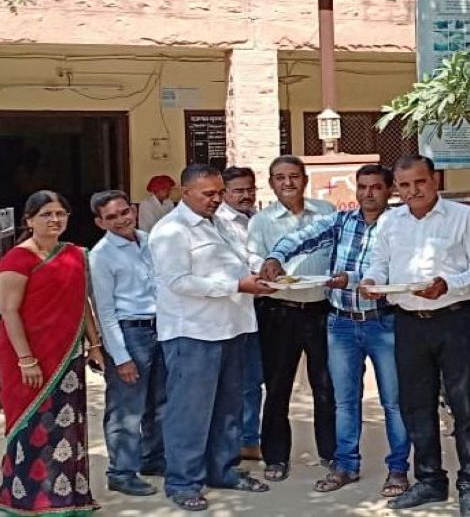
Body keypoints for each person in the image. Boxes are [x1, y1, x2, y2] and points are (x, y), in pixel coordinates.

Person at [261, 164, 411, 496]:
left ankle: (398, 470)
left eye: (376, 187)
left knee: (394, 402)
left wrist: (352, 280)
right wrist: (276, 257)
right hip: (341, 323)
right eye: (362, 186)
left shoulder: (400, 225)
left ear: (389, 190)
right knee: (344, 401)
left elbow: (396, 271)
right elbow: (303, 237)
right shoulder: (342, 220)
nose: (368, 193)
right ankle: (346, 466)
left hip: (383, 322)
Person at [360, 155, 470, 517]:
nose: (413, 191)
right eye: (404, 185)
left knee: (465, 402)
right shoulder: (390, 221)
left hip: (454, 318)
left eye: (420, 182)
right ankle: (430, 480)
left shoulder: (463, 216)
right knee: (416, 404)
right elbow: (380, 264)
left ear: (435, 180)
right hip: (408, 322)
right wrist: (371, 281)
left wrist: (448, 284)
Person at [149, 164, 273, 511]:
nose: (216, 199)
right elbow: (178, 282)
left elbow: (242, 259)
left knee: (229, 407)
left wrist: (263, 270)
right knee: (190, 412)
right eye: (208, 194)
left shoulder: (222, 223)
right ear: (185, 192)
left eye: (219, 192)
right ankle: (183, 482)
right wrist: (236, 285)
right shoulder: (171, 231)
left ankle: (223, 470)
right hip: (193, 332)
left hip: (232, 327)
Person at [0, 190, 105, 515]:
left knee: (66, 426)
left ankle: (68, 497)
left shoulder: (74, 255)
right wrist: (26, 359)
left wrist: (95, 345)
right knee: (31, 424)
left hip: (68, 356)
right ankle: (26, 499)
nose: (55, 220)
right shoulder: (17, 259)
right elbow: (8, 311)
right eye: (46, 214)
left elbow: (81, 304)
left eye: (61, 213)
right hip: (27, 357)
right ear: (29, 220)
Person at [248, 156, 336, 482]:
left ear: (305, 179)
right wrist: (266, 269)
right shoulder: (262, 221)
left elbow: (338, 250)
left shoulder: (326, 212)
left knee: (326, 385)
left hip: (321, 309)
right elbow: (253, 257)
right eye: (280, 177)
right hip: (279, 311)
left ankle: (331, 452)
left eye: (294, 176)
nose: (288, 183)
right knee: (277, 387)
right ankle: (275, 457)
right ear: (271, 183)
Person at [89, 190, 167, 497]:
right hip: (130, 332)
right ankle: (121, 472)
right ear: (100, 222)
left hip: (160, 328)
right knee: (127, 407)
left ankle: (153, 459)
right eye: (111, 217)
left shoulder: (149, 240)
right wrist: (121, 357)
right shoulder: (101, 256)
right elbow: (105, 311)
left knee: (160, 401)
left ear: (133, 210)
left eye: (124, 212)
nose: (121, 220)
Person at [217, 166, 263, 462]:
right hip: (230, 310)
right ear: (225, 193)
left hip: (259, 307)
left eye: (250, 189)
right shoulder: (218, 224)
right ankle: (230, 443)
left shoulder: (258, 219)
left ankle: (249, 439)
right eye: (238, 191)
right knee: (234, 381)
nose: (245, 195)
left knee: (253, 379)